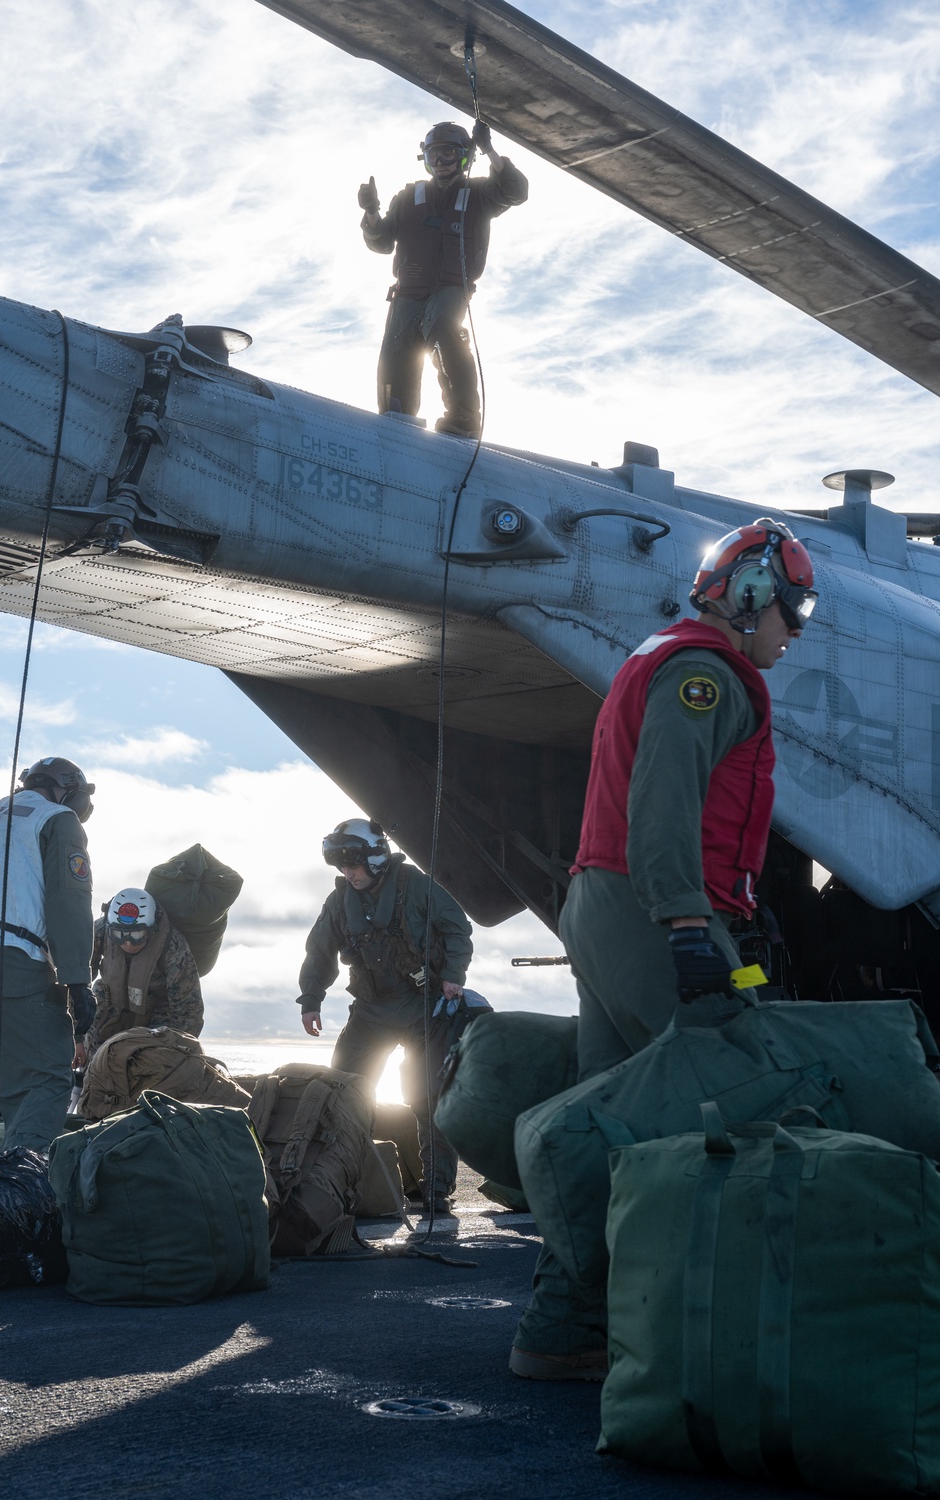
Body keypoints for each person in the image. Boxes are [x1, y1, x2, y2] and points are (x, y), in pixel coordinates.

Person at [510, 518, 818, 1381]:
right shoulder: (705, 678)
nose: (794, 631)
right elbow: (666, 809)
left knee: (611, 1125)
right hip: (655, 910)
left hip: (608, 905)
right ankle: (735, 1337)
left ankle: (562, 1326)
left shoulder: (661, 661)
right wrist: (688, 925)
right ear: (753, 596)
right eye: (792, 612)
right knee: (741, 1094)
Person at [297, 818, 473, 1214]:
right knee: (344, 1092)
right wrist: (311, 998)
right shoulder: (340, 900)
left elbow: (457, 930)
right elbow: (320, 950)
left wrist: (452, 977)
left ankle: (436, 1191)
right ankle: (338, 1183)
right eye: (342, 866)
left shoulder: (417, 886)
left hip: (422, 1008)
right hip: (371, 1012)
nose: (348, 873)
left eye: (353, 864)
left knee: (428, 1096)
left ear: (375, 858)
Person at [0, 756, 97, 1152]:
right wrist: (78, 981)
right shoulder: (58, 819)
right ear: (69, 792)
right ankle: (24, 1191)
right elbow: (68, 902)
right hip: (11, 965)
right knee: (41, 1083)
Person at [359, 119, 528, 438]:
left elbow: (516, 192)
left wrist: (489, 149)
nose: (439, 163)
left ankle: (463, 417)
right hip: (406, 294)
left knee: (442, 329)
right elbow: (380, 241)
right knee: (396, 350)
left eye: (448, 154)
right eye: (433, 156)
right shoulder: (408, 198)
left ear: (464, 156)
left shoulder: (479, 194)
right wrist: (371, 211)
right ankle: (394, 419)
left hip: (450, 290)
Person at [85, 887, 203, 1054]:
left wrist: (175, 1053)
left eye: (136, 935)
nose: (127, 943)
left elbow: (189, 1011)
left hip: (156, 1015)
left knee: (149, 1064)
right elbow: (77, 979)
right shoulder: (99, 932)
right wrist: (77, 1036)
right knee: (95, 1061)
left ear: (151, 929)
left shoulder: (175, 950)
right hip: (109, 1005)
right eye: (119, 935)